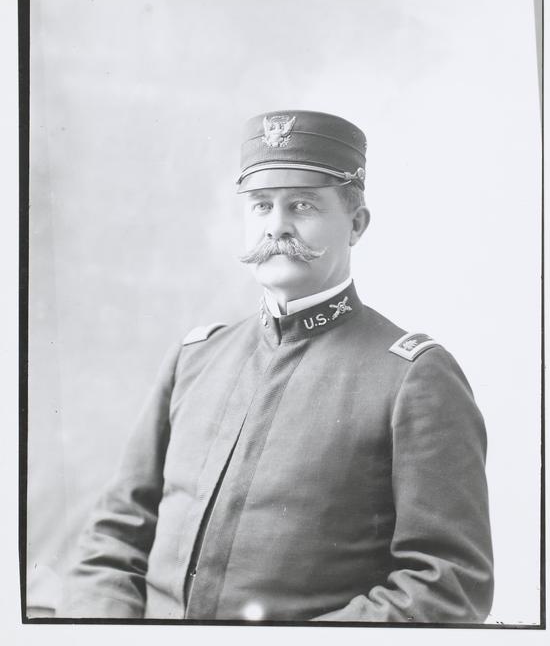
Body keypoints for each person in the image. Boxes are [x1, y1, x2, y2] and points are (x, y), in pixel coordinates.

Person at [58, 110, 493, 622]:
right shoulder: (196, 359)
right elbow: (113, 538)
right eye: (262, 205)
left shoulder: (411, 378)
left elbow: (447, 586)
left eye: (302, 205)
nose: (276, 226)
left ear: (356, 224)